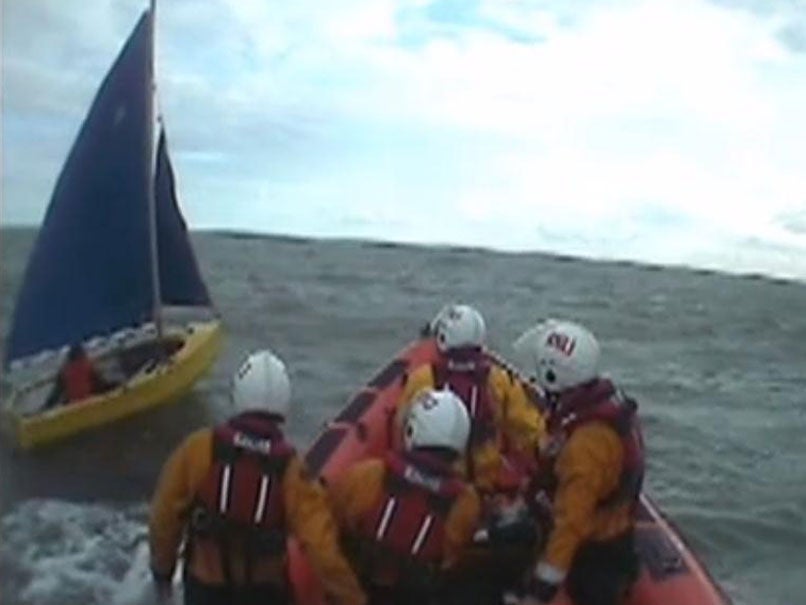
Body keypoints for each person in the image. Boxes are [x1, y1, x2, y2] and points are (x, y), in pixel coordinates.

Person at [148, 349, 366, 605]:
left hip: (204, 591)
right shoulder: (291, 470)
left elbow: (164, 517)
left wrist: (163, 572)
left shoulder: (199, 450)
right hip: (263, 595)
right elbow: (322, 548)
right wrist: (353, 598)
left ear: (239, 394)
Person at [512, 320, 645, 605]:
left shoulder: (585, 447)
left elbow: (571, 524)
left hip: (595, 553)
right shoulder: (594, 407)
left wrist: (539, 590)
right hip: (608, 528)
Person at [328, 388, 482, 605]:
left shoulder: (368, 476)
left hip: (361, 590)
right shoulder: (466, 503)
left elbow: (330, 521)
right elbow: (453, 559)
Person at [400, 303, 545, 493]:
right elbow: (525, 428)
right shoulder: (497, 380)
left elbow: (403, 425)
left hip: (441, 482)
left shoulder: (423, 378)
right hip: (484, 482)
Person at [42, 343, 113, 409]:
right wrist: (115, 386)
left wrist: (44, 409)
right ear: (82, 355)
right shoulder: (88, 366)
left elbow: (55, 396)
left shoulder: (64, 371)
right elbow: (101, 385)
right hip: (90, 403)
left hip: (73, 407)